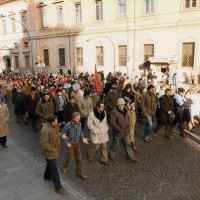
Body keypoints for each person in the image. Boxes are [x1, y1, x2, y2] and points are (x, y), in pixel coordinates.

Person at [40, 114, 68, 194]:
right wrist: (54, 149)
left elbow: (55, 134)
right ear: (52, 122)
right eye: (56, 121)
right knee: (54, 169)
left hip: (53, 152)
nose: (57, 122)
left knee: (50, 165)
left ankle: (47, 176)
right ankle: (58, 187)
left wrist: (62, 135)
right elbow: (43, 143)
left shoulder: (53, 127)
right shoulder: (45, 130)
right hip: (50, 153)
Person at [109, 98, 139, 163]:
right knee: (115, 144)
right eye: (120, 105)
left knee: (128, 143)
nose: (121, 106)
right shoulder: (114, 112)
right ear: (117, 105)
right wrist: (118, 129)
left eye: (122, 105)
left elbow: (128, 117)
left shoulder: (125, 110)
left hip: (125, 131)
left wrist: (128, 125)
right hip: (118, 132)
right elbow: (112, 123)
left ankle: (130, 157)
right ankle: (112, 154)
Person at [62, 112, 89, 179]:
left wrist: (83, 138)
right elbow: (63, 135)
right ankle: (65, 166)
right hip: (70, 144)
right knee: (70, 158)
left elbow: (81, 132)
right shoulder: (68, 125)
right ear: (73, 118)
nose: (78, 120)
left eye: (79, 118)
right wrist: (67, 143)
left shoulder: (79, 124)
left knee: (79, 159)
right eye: (77, 119)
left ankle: (79, 173)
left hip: (77, 143)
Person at [87, 101, 110, 166]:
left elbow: (105, 122)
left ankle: (104, 160)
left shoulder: (104, 113)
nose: (103, 108)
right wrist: (95, 130)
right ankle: (89, 154)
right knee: (96, 147)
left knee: (104, 147)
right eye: (102, 106)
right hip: (96, 133)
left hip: (103, 132)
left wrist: (106, 129)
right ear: (97, 107)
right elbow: (89, 124)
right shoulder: (91, 114)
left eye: (103, 106)